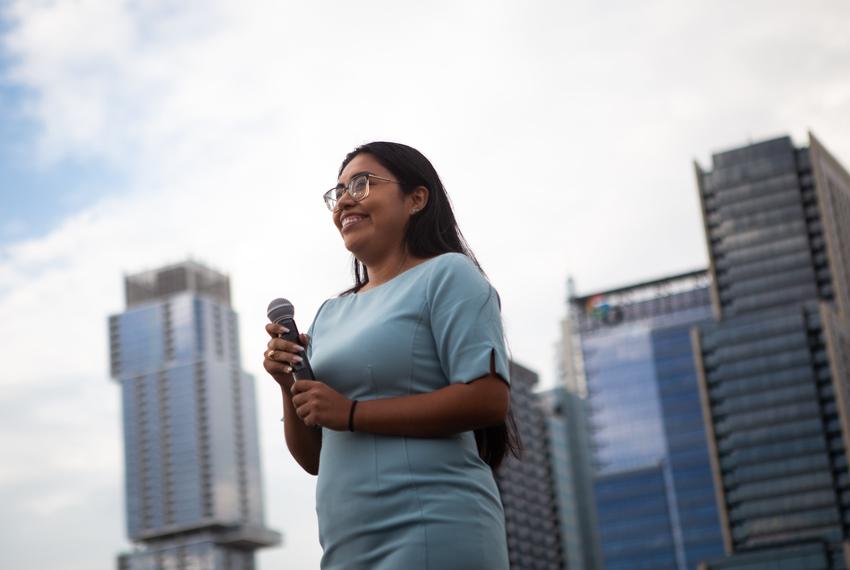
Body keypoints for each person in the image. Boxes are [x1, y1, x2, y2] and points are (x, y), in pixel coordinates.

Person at [262, 141, 520, 569]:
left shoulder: (448, 274)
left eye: (362, 184)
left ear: (417, 198)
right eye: (339, 191)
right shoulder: (329, 314)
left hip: (435, 526)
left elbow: (487, 399)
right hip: (348, 544)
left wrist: (351, 413)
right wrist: (287, 386)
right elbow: (315, 459)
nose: (344, 199)